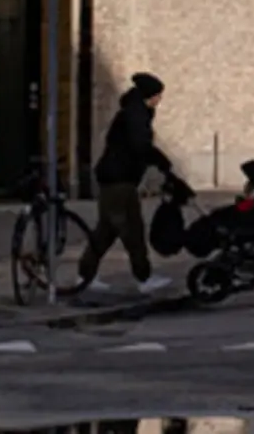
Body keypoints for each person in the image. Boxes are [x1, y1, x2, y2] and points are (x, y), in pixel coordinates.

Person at [72, 72, 182, 295]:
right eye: (157, 96)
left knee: (106, 231)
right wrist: (161, 162)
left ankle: (85, 276)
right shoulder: (135, 116)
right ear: (148, 96)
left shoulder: (134, 113)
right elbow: (140, 146)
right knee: (132, 229)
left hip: (116, 178)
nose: (159, 100)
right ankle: (144, 277)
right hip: (119, 179)